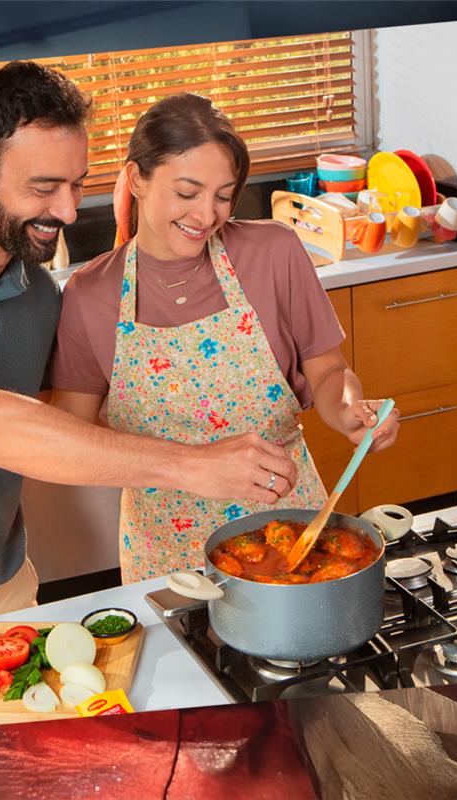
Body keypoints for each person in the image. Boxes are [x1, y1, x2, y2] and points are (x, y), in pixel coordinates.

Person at [0, 65, 298, 644]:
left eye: (77, 184)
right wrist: (196, 465)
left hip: (10, 588)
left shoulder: (39, 293)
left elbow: (70, 417)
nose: (69, 211)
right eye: (44, 188)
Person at [50, 92, 400, 583]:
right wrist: (180, 465)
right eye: (187, 192)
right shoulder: (90, 294)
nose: (205, 216)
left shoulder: (274, 252)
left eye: (222, 195)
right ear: (137, 178)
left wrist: (350, 412)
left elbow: (329, 371)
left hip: (290, 533)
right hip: (165, 554)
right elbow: (71, 441)